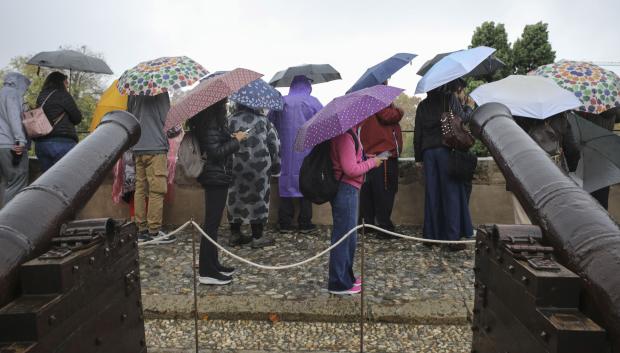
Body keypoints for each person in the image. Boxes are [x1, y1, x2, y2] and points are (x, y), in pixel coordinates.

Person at [190, 99, 247, 285]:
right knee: (211, 225)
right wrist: (236, 141)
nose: (227, 103)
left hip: (217, 176)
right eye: (225, 101)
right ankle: (207, 271)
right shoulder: (211, 122)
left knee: (212, 225)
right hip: (215, 176)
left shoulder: (210, 120)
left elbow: (215, 144)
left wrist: (231, 137)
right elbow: (215, 152)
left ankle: (213, 265)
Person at [414, 86, 473, 251]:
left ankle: (431, 236)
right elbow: (462, 118)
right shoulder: (449, 98)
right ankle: (452, 239)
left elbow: (418, 132)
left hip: (428, 153)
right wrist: (468, 106)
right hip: (445, 150)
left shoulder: (423, 105)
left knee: (432, 195)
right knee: (451, 194)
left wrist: (418, 158)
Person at [328, 128, 382, 295]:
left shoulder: (348, 134)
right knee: (344, 237)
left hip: (348, 189)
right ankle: (338, 283)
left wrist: (367, 159)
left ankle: (346, 277)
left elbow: (353, 161)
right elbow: (350, 169)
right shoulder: (345, 136)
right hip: (346, 189)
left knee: (349, 237)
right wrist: (373, 163)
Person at [269, 75, 322, 234]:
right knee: (306, 183)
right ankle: (305, 222)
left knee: (285, 183)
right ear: (307, 86)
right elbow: (324, 122)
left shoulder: (281, 102)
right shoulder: (313, 102)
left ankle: (285, 221)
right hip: (307, 152)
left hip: (284, 151)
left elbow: (270, 122)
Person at [228, 102, 281, 248]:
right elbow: (274, 145)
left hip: (236, 166)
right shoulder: (263, 121)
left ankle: (235, 234)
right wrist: (276, 167)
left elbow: (224, 142)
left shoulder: (230, 119)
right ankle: (257, 236)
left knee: (234, 198)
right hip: (259, 168)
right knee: (259, 199)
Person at [511, 113, 580, 223]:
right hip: (554, 175)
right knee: (555, 217)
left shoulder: (513, 115)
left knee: (523, 220)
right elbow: (573, 150)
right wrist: (570, 169)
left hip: (521, 174)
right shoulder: (560, 118)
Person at [128, 93, 175, 244]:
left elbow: (130, 116)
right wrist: (175, 131)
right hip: (156, 147)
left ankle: (141, 229)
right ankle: (154, 231)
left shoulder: (133, 91)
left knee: (140, 189)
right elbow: (167, 119)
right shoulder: (160, 90)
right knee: (157, 189)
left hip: (138, 146)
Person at [359, 95, 404, 239]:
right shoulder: (379, 99)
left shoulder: (365, 103)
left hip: (369, 154)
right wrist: (399, 111)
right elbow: (387, 116)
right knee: (385, 191)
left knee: (369, 192)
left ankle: (367, 224)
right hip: (383, 154)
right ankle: (384, 228)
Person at [34, 72, 83, 172]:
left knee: (47, 179)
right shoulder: (63, 94)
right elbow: (77, 118)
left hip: (41, 144)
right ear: (60, 82)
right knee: (64, 179)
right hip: (62, 142)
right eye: (66, 82)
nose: (67, 84)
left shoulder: (41, 96)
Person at [576, 108, 619, 210]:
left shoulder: (582, 107)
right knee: (602, 189)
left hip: (586, 151)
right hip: (604, 150)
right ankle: (603, 217)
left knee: (585, 189)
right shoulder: (611, 106)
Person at [0, 72, 31, 205]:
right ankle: (9, 221)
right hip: (11, 145)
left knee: (5, 182)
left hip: (1, 145)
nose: (25, 90)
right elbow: (14, 118)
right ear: (18, 83)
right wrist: (21, 140)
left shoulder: (1, 93)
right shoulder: (12, 94)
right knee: (18, 182)